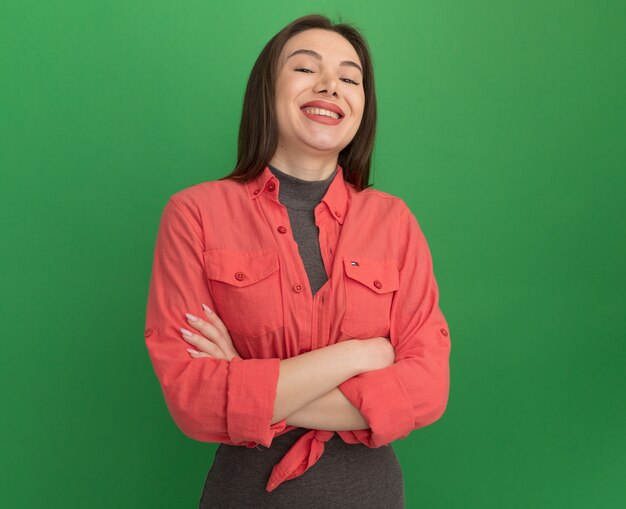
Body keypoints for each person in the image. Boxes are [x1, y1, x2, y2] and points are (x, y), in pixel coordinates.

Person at [144, 13, 451, 508]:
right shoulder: (195, 214)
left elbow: (427, 389)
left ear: (362, 107)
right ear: (267, 89)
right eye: (307, 69)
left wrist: (246, 381)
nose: (331, 86)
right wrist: (357, 356)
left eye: (350, 78)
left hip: (371, 496)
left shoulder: (394, 222)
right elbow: (194, 401)